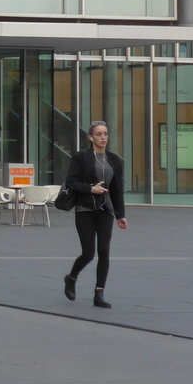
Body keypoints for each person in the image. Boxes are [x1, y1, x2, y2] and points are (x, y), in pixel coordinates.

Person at [62, 120, 128, 308]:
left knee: (104, 251)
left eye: (105, 134)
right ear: (90, 137)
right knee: (88, 253)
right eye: (98, 134)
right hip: (85, 210)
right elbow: (71, 182)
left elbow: (117, 189)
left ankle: (99, 293)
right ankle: (71, 278)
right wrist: (91, 189)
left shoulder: (115, 160)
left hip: (105, 211)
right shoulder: (81, 157)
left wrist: (120, 214)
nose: (103, 138)